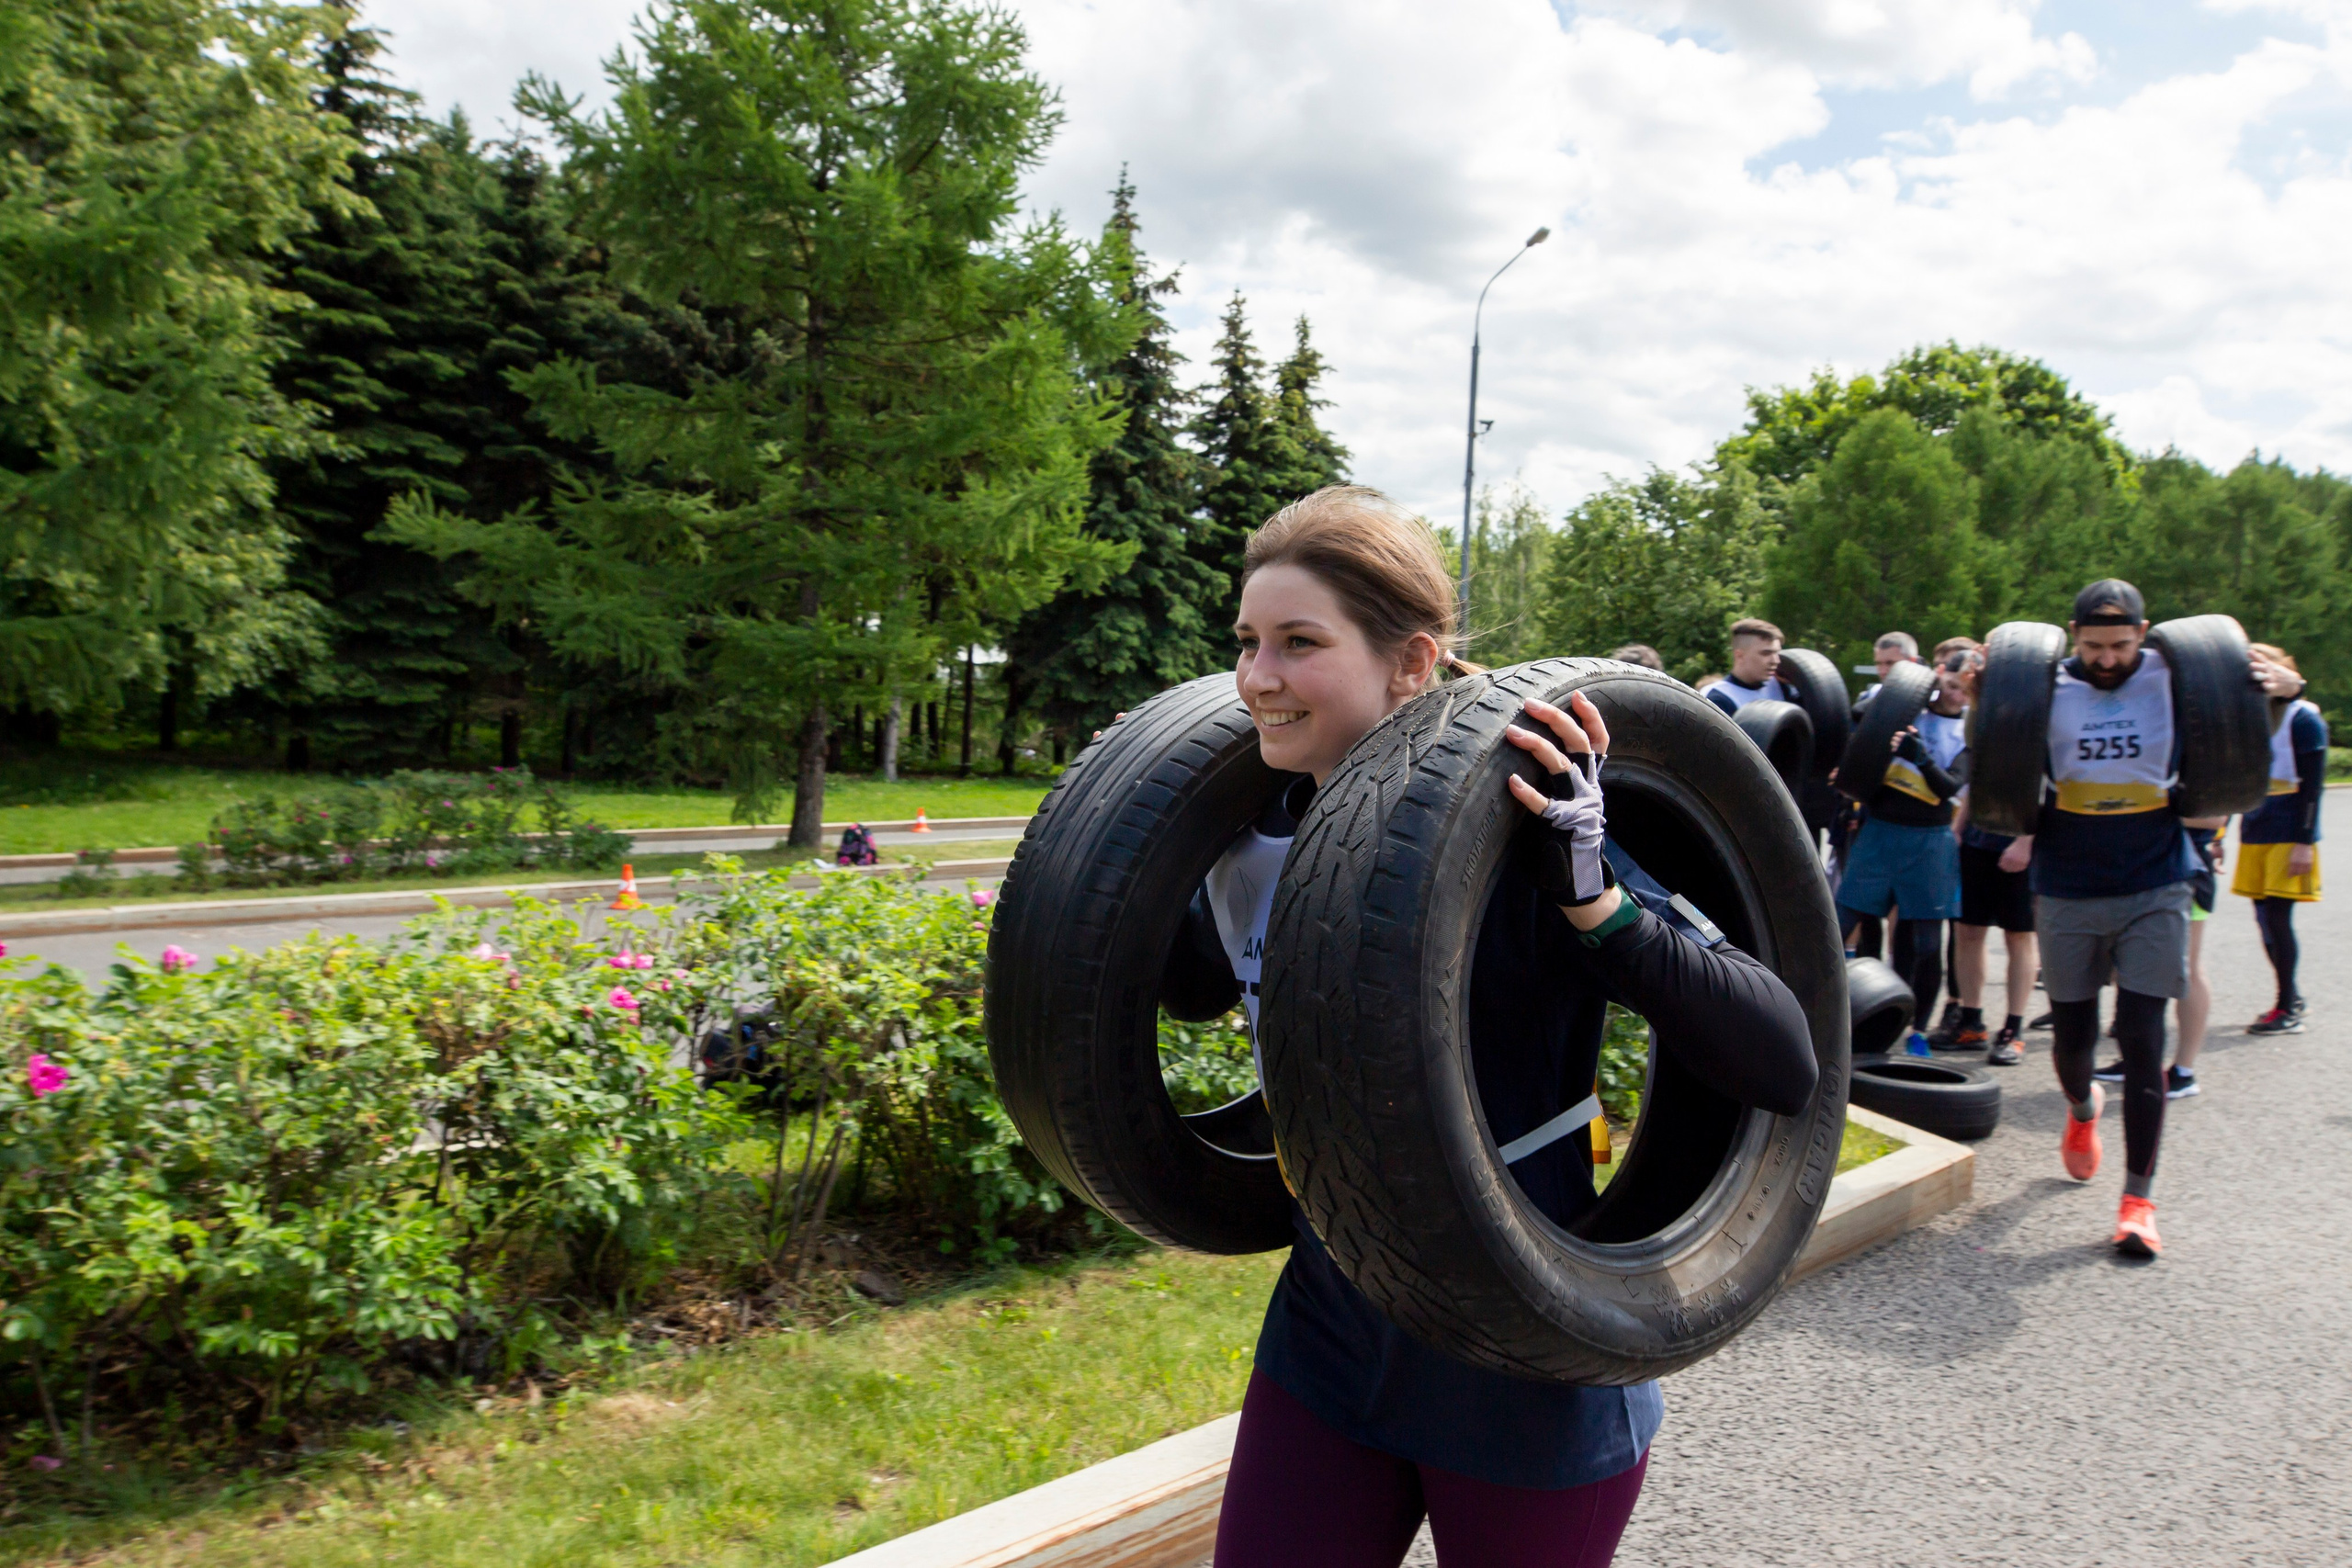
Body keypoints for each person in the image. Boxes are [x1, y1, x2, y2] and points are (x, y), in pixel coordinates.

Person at [1171, 486, 1816, 1568]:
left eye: (1298, 643)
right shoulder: (1256, 832)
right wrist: (1114, 843)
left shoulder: (1530, 834)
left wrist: (1595, 903)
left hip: (1524, 1352)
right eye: (1245, 643)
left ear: (1412, 663)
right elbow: (1194, 986)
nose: (1255, 679)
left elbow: (1782, 1059)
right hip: (1333, 1327)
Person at [2025, 580, 2303, 1258]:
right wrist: (1984, 700)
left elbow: (2247, 730)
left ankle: (2137, 1200)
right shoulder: (2043, 685)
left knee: (2144, 1036)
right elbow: (2001, 756)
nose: (2109, 658)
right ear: (2074, 634)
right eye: (2094, 645)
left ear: (2144, 633)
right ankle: (2083, 1109)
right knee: (2074, 1039)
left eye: (2122, 645)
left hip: (2156, 877)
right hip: (2067, 881)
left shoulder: (2175, 677)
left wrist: (2284, 687)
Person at [1835, 643, 1967, 1052]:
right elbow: (1854, 717)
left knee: (1923, 944)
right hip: (1880, 833)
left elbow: (1948, 788)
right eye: (1949, 683)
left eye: (1964, 689)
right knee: (1838, 926)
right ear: (1938, 674)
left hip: (1930, 842)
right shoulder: (1906, 706)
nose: (1954, 693)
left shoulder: (1971, 729)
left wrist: (1921, 757)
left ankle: (1915, 1030)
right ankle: (1825, 1012)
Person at [2232, 644, 2324, 1033]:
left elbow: (2314, 786)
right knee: (2263, 919)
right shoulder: (2252, 718)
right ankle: (2291, 995)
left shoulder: (2303, 718)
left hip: (2290, 829)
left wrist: (2305, 840)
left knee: (2278, 919)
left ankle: (2288, 1008)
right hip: (2257, 826)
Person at [1702, 619, 1787, 716]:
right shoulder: (1717, 698)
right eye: (1766, 653)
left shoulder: (1781, 684)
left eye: (1777, 653)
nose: (1775, 661)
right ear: (1740, 655)